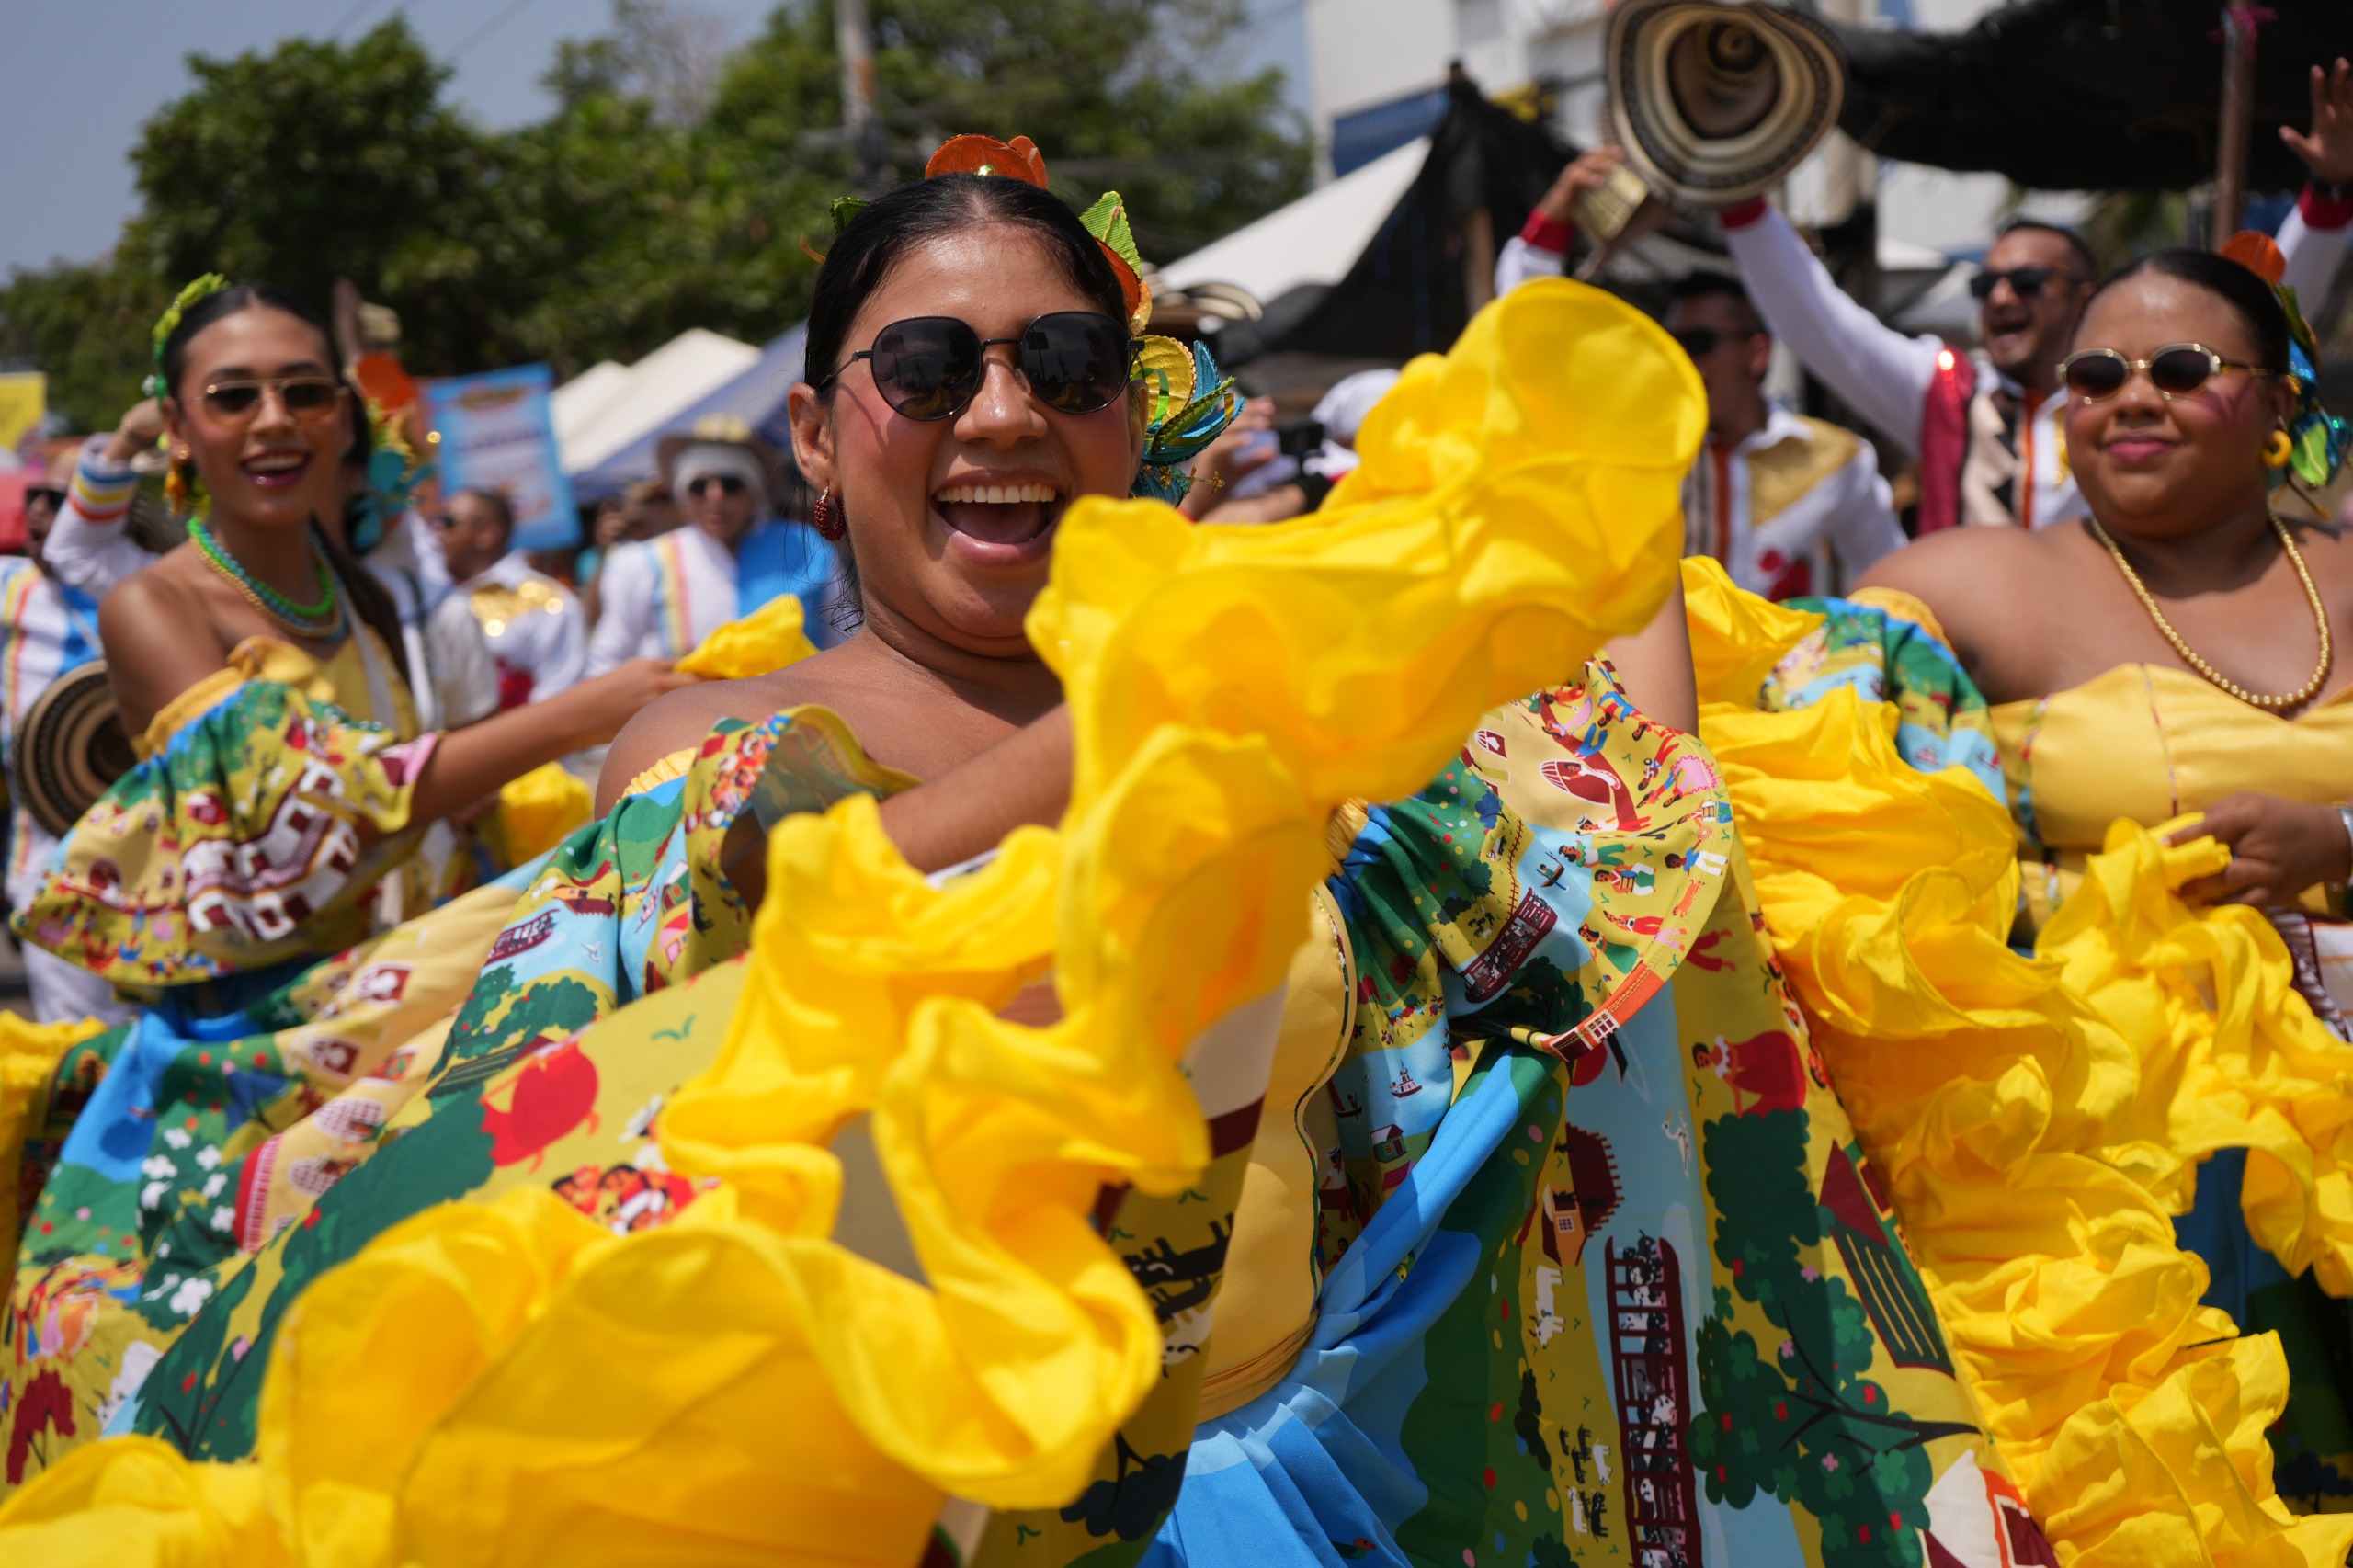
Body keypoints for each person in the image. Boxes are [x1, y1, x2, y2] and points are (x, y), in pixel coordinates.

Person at [1855, 241, 2353, 1502]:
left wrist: (2338, 842)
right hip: (2131, 1175)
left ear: (2282, 401)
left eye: (2184, 368)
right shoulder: (1962, 581)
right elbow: (1839, 834)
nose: (2132, 397)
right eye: (2096, 373)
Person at [1499, 156, 1904, 597]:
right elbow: (1525, 350)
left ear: (1757, 352)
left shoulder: (1836, 461)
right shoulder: (1641, 451)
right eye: (1672, 346)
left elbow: (1895, 588)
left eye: (1700, 344)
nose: (1681, 363)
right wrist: (1554, 216)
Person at [0, 406, 161, 1026]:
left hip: (151, 856)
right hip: (46, 859)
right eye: (36, 496)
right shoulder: (12, 588)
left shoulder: (146, 585)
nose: (41, 510)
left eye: (58, 499)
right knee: (76, 1042)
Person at [584, 415, 842, 672]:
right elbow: (607, 662)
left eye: (731, 484)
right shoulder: (641, 563)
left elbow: (843, 639)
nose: (715, 497)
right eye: (699, 486)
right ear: (683, 496)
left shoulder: (809, 548)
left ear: (754, 493)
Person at [434, 484, 588, 710]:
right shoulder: (433, 598)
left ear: (487, 533)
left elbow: (559, 697)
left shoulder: (548, 601)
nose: (438, 534)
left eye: (449, 523)